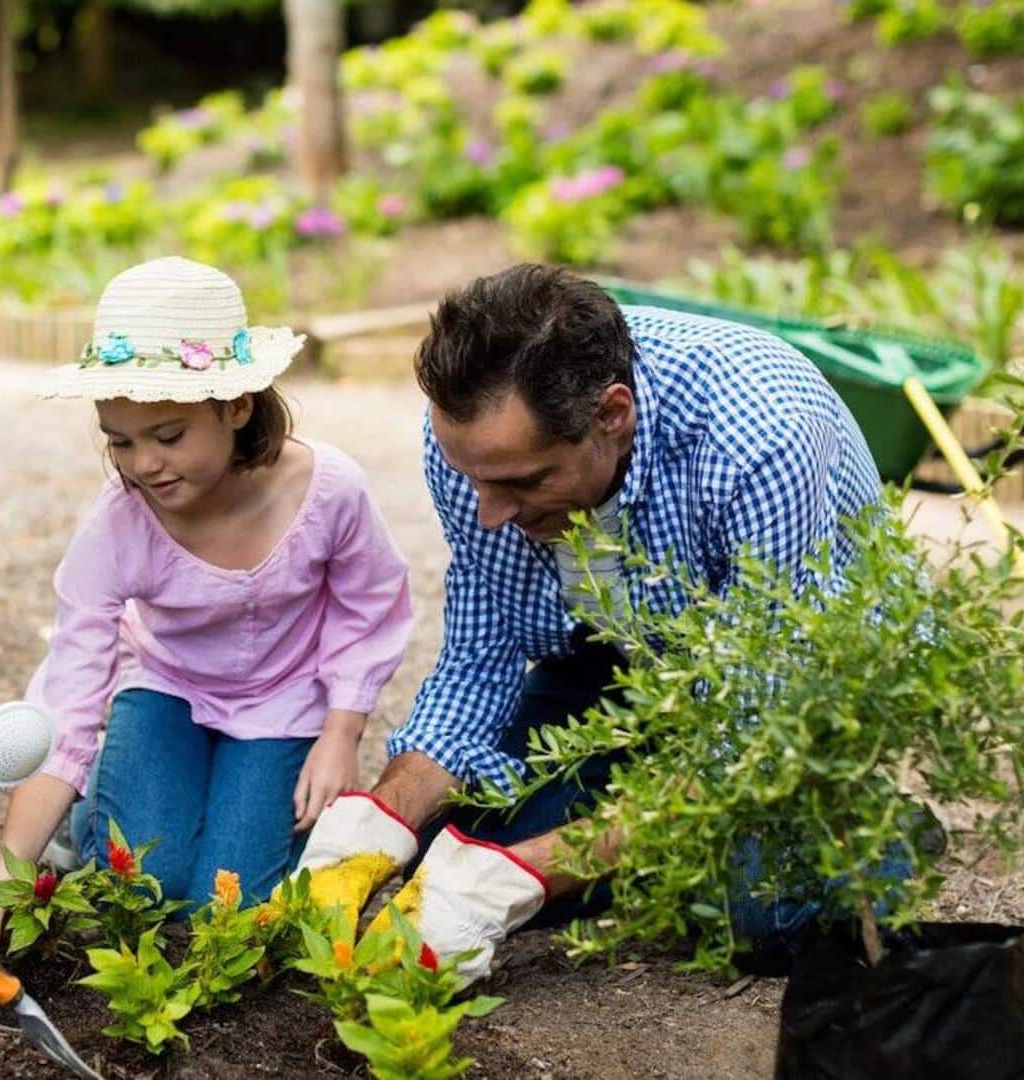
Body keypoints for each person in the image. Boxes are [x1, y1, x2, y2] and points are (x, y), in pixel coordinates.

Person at [293, 264, 887, 978]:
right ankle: (652, 823)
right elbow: (483, 658)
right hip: (616, 655)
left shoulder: (759, 439)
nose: (489, 511)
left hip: (788, 684)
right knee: (452, 842)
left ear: (612, 415)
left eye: (523, 483)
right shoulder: (481, 443)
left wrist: (532, 871)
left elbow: (751, 735)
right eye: (475, 478)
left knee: (765, 917)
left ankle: (871, 828)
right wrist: (380, 818)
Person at [0, 257, 414, 941]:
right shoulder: (121, 520)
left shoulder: (329, 491)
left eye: (168, 436)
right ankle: (84, 811)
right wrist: (5, 875)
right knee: (144, 891)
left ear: (237, 406)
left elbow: (370, 605)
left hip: (284, 700)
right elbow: (71, 690)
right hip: (165, 685)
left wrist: (340, 733)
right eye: (118, 441)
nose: (143, 464)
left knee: (226, 914)